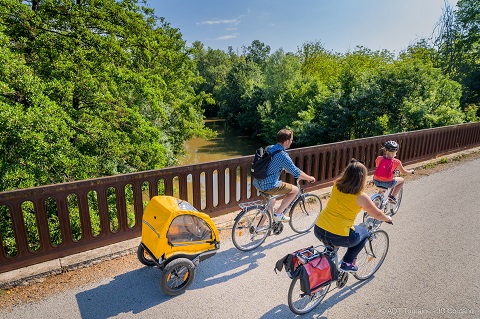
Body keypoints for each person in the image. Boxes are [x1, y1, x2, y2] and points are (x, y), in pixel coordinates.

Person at [314, 160, 392, 272]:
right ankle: (347, 262)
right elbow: (377, 214)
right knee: (365, 233)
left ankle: (329, 258)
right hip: (339, 235)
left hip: (319, 229)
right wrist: (387, 218)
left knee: (340, 232)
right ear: (362, 178)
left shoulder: (336, 185)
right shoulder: (361, 197)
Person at [252, 129, 315, 222]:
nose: (291, 142)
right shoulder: (282, 155)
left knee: (272, 202)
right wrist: (309, 178)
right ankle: (278, 214)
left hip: (258, 182)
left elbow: (270, 165)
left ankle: (260, 227)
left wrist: (285, 169)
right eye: (291, 140)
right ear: (287, 141)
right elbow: (297, 172)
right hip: (269, 185)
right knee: (295, 190)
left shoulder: (270, 148)